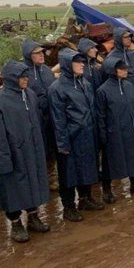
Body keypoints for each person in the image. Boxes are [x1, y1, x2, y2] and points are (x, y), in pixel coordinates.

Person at [0, 60, 51, 242]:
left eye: (26, 76)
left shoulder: (29, 94)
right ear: (11, 78)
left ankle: (33, 216)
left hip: (32, 151)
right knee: (13, 189)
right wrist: (4, 160)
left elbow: (37, 122)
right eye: (22, 77)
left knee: (32, 184)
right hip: (13, 154)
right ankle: (16, 223)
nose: (26, 80)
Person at [50, 50, 105, 222]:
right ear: (67, 65)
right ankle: (68, 207)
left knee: (87, 168)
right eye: (78, 62)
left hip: (87, 134)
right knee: (69, 173)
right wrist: (62, 144)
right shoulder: (57, 89)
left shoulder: (85, 83)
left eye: (82, 61)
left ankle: (85, 198)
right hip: (71, 138)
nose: (82, 64)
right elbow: (58, 119)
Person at [96, 56, 134, 204]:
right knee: (111, 162)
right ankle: (107, 189)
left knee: (133, 157)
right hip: (113, 133)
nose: (125, 71)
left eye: (125, 68)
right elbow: (100, 115)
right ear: (112, 71)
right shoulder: (103, 91)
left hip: (130, 130)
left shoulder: (129, 86)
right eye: (121, 68)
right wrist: (103, 135)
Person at [22, 39, 58, 191]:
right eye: (37, 53)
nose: (41, 55)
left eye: (42, 52)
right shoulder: (23, 73)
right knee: (36, 152)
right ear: (28, 55)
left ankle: (52, 181)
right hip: (34, 120)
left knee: (51, 150)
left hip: (50, 118)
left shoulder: (47, 70)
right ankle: (37, 184)